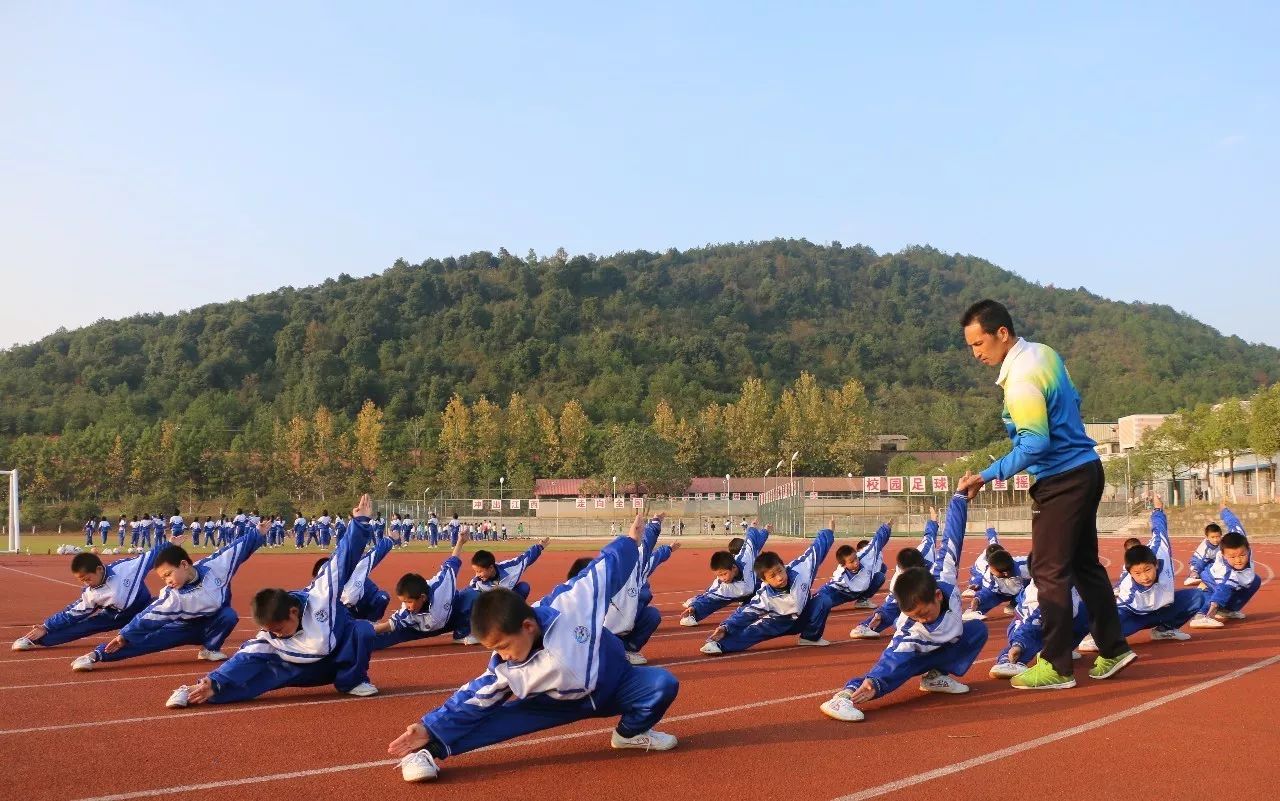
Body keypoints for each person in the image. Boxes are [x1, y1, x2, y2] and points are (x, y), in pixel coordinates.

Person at [387, 522, 679, 783]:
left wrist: (630, 541)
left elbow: (605, 569)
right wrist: (428, 727)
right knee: (490, 716)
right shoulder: (505, 668)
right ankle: (426, 751)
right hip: (554, 703)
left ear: (527, 626)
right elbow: (472, 698)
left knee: (662, 684)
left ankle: (628, 735)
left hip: (615, 684)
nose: (502, 656)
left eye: (503, 646)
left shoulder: (570, 605)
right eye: (494, 650)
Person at [956, 299, 1133, 688]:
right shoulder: (1045, 354)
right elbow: (1075, 401)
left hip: (1062, 479)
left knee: (1047, 571)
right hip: (1086, 468)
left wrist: (985, 476)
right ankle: (1114, 648)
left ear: (1002, 333)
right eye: (970, 346)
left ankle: (1056, 665)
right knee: (1085, 566)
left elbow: (1035, 444)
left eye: (979, 344)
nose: (975, 354)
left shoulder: (1021, 378)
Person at [163, 494, 381, 708]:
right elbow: (245, 656)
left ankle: (352, 681)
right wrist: (214, 680)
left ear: (293, 612)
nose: (275, 634)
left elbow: (342, 560)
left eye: (278, 629)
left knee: (363, 629)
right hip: (301, 668)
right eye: (271, 631)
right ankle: (194, 690)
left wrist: (360, 523)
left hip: (337, 657)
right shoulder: (270, 635)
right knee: (250, 678)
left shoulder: (321, 595)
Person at [820, 491, 986, 722]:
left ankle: (935, 677)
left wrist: (959, 497)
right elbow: (893, 655)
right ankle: (844, 696)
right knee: (886, 676)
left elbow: (952, 538)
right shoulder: (911, 630)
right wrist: (875, 680)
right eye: (913, 616)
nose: (921, 619)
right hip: (916, 655)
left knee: (977, 630)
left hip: (943, 647)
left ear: (937, 595)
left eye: (924, 614)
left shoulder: (945, 576)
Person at [70, 526, 261, 671]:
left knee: (228, 615)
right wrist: (124, 635)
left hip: (213, 622)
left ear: (184, 565)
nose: (167, 581)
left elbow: (237, 549)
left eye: (169, 574)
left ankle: (209, 649)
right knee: (144, 642)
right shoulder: (171, 597)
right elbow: (146, 617)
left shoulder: (215, 567)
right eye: (163, 578)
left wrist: (258, 533)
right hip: (182, 628)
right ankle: (96, 655)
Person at [11, 537, 171, 652]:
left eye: (88, 579)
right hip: (114, 616)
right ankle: (35, 639)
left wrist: (171, 543)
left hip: (144, 607)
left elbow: (151, 555)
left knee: (169, 604)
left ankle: (196, 638)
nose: (86, 583)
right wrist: (46, 627)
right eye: (82, 581)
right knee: (84, 626)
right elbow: (71, 614)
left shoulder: (126, 568)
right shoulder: (91, 594)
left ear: (99, 569)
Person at [1080, 496, 1199, 650]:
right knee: (1112, 626)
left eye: (1147, 570)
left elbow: (1159, 528)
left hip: (1162, 609)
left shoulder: (1160, 549)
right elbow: (1115, 609)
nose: (1144, 577)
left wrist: (1158, 509)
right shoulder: (1129, 589)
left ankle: (1164, 630)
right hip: (1137, 616)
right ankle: (1094, 637)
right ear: (1130, 573)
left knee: (1197, 596)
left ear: (1155, 563)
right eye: (1137, 573)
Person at [699, 524, 834, 655]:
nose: (780, 578)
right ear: (764, 580)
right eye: (773, 576)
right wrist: (725, 627)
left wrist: (828, 532)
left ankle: (810, 637)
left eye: (780, 571)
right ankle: (720, 645)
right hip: (778, 622)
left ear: (783, 565)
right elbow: (745, 613)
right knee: (751, 632)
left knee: (824, 600)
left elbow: (817, 550)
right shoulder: (764, 596)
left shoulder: (801, 570)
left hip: (803, 616)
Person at [568, 514, 674, 665]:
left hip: (627, 625)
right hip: (604, 634)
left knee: (652, 614)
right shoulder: (601, 578)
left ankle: (629, 649)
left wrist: (655, 524)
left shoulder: (636, 567)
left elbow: (647, 546)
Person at [989, 556, 1089, 679]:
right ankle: (1007, 661)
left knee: (1087, 612)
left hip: (1058, 618)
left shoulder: (1067, 578)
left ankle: (1060, 650)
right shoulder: (1040, 597)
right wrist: (1018, 644)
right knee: (1030, 639)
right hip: (1025, 624)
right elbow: (1030, 626)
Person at [373, 531, 474, 650]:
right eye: (404, 602)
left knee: (472, 595)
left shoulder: (442, 586)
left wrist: (460, 542)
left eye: (409, 602)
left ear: (423, 597)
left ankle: (461, 633)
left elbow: (452, 563)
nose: (407, 605)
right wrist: (366, 631)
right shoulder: (407, 613)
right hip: (418, 629)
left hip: (450, 619)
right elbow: (388, 625)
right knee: (378, 639)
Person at [849, 510, 938, 639]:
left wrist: (933, 520)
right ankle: (864, 627)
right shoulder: (898, 581)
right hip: (910, 596)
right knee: (892, 614)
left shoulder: (929, 556)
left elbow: (930, 535)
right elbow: (891, 604)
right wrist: (880, 614)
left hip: (927, 591)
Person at [807, 519, 892, 626]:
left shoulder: (864, 558)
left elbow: (877, 542)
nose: (856, 563)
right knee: (822, 603)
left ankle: (862, 600)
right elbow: (829, 587)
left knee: (880, 576)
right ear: (844, 565)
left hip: (862, 590)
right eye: (851, 562)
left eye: (856, 558)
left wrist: (886, 527)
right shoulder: (840, 576)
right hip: (844, 593)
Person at [679, 527, 768, 626]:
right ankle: (692, 615)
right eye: (719, 575)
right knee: (714, 599)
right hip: (733, 592)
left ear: (734, 568)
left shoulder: (746, 559)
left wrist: (761, 529)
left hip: (753, 588)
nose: (723, 578)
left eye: (724, 574)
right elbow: (710, 596)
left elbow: (751, 539)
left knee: (766, 582)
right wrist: (694, 607)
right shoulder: (722, 584)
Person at [1190, 506, 1261, 629]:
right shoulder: (1228, 573)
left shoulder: (1240, 538)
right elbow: (1222, 591)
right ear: (1223, 555)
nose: (1238, 560)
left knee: (1255, 580)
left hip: (1232, 578)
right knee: (1220, 592)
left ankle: (1227, 610)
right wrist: (1213, 609)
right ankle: (1201, 615)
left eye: (1242, 555)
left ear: (1247, 549)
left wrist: (1224, 510)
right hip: (1213, 576)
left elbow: (1234, 523)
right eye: (1232, 557)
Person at [313, 534, 394, 623]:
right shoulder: (321, 588)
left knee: (382, 598)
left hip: (366, 601)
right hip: (348, 610)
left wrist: (390, 539)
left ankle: (372, 623)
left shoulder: (354, 569)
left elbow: (374, 555)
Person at [962, 548, 1030, 621]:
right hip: (1000, 593)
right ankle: (969, 613)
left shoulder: (1026, 567)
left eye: (992, 569)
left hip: (1022, 590)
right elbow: (986, 592)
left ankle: (1017, 604)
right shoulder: (989, 575)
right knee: (981, 603)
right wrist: (977, 599)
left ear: (1005, 573)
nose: (989, 570)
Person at [467, 541, 548, 599]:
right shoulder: (476, 582)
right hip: (490, 607)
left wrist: (539, 547)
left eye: (479, 571)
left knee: (524, 587)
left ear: (491, 568)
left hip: (506, 601)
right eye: (476, 571)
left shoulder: (509, 569)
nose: (477, 575)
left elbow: (525, 559)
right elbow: (467, 594)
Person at [1185, 521, 1224, 587]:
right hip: (1197, 562)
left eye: (1218, 537)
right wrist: (1195, 572)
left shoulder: (1221, 543)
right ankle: (1193, 577)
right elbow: (1201, 562)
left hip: (1211, 560)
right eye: (1213, 537)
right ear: (1207, 537)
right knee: (1207, 571)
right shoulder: (1206, 548)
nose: (1215, 540)